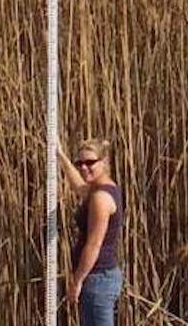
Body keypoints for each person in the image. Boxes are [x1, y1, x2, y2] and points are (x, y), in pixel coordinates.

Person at [58, 138, 124, 326]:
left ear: (104, 162)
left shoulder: (100, 198)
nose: (84, 168)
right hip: (102, 276)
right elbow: (79, 187)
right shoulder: (104, 188)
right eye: (80, 163)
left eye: (90, 163)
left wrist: (77, 281)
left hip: (97, 279)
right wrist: (62, 157)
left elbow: (94, 245)